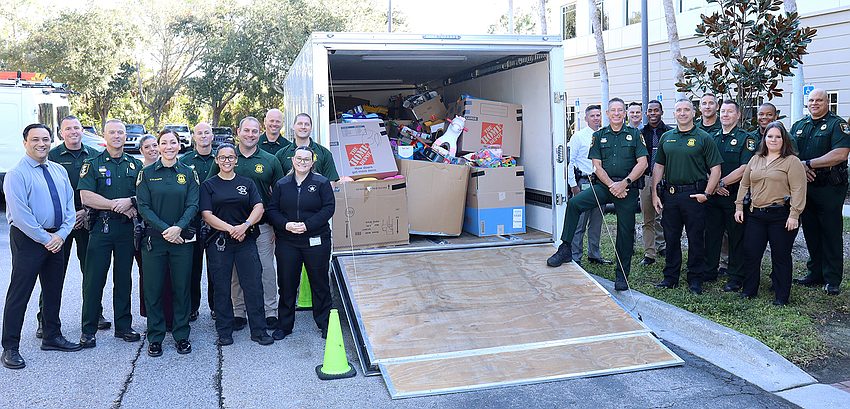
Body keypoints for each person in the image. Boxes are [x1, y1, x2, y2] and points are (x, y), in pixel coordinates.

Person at [2, 124, 82, 370]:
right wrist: (46, 238)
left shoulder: (58, 170)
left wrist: (61, 234)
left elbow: (70, 206)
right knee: (20, 292)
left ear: (51, 141)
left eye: (45, 139)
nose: (41, 144)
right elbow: (21, 215)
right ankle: (10, 347)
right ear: (25, 142)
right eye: (35, 139)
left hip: (57, 238)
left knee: (53, 289)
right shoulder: (17, 174)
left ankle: (51, 336)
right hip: (29, 239)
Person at [548, 98, 648, 292]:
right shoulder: (599, 135)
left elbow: (642, 163)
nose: (617, 113)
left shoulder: (635, 135)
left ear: (625, 113)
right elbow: (596, 166)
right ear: (608, 114)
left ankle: (622, 275)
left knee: (625, 231)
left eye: (620, 110)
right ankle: (566, 248)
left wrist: (624, 183)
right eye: (613, 110)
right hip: (604, 186)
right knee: (575, 204)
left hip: (627, 188)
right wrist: (612, 185)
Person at [209, 117, 284, 329]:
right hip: (230, 228)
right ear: (238, 132)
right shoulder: (227, 156)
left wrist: (277, 225)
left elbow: (280, 195)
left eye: (254, 131)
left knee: (266, 270)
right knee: (235, 272)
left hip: (261, 226)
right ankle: (238, 312)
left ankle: (270, 311)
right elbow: (210, 187)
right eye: (246, 130)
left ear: (260, 133)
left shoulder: (270, 160)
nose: (250, 135)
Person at [37, 115, 107, 339]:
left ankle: (96, 314)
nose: (73, 132)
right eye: (68, 129)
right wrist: (68, 216)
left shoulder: (95, 155)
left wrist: (86, 211)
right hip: (60, 224)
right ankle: (44, 320)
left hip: (89, 219)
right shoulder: (52, 156)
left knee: (92, 271)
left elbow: (102, 190)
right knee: (53, 273)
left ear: (82, 131)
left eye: (77, 128)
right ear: (61, 133)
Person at [78, 119, 143, 348]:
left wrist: (131, 201)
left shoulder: (136, 165)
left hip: (126, 230)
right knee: (94, 280)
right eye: (112, 132)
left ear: (126, 136)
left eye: (121, 133)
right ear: (104, 136)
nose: (117, 136)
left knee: (124, 279)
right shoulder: (92, 163)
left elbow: (143, 196)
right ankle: (88, 329)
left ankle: (123, 326)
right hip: (101, 228)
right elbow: (86, 197)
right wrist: (115, 205)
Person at [200, 143, 273, 346]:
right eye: (222, 158)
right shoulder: (209, 185)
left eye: (230, 157)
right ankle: (224, 332)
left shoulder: (247, 183)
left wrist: (245, 226)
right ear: (216, 160)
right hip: (220, 243)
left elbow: (259, 207)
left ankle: (259, 331)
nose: (227, 161)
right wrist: (231, 229)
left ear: (236, 160)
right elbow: (206, 215)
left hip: (245, 241)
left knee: (253, 285)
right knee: (222, 288)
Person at [136, 129, 199, 356]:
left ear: (179, 146)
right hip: (155, 240)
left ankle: (182, 335)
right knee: (153, 290)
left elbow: (193, 205)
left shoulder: (189, 173)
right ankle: (155, 337)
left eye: (173, 142)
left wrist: (178, 228)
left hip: (182, 240)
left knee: (182, 289)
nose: (169, 147)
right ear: (158, 146)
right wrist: (166, 229)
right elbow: (143, 207)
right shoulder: (146, 173)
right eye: (164, 143)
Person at [652, 99, 723, 295]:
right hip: (671, 196)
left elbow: (716, 169)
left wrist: (707, 194)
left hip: (695, 196)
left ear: (694, 113)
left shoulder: (703, 137)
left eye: (686, 110)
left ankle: (695, 279)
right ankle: (670, 278)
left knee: (696, 239)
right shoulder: (666, 137)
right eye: (678, 110)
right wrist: (654, 193)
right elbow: (659, 166)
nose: (682, 113)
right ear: (673, 114)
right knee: (671, 238)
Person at [267, 145, 335, 339]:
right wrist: (286, 225)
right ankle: (284, 326)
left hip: (315, 239)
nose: (302, 162)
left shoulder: (321, 183)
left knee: (320, 283)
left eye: (307, 159)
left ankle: (325, 323)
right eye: (299, 159)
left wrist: (307, 225)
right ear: (293, 160)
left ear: (312, 162)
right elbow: (272, 210)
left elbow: (329, 208)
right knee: (287, 284)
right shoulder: (282, 184)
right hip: (288, 241)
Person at [736, 122, 806, 305]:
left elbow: (799, 189)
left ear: (784, 140)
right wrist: (738, 207)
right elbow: (744, 184)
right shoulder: (756, 159)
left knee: (781, 256)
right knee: (751, 254)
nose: (773, 140)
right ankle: (749, 290)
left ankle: (782, 296)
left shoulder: (792, 162)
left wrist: (794, 215)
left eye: (778, 137)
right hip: (755, 215)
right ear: (764, 138)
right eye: (770, 136)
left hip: (780, 217)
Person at [791, 89, 850, 296]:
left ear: (827, 102)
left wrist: (807, 164)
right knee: (811, 231)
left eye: (819, 100)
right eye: (811, 100)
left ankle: (832, 278)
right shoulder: (799, 125)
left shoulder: (837, 124)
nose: (814, 103)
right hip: (805, 187)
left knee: (831, 232)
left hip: (830, 187)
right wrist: (801, 168)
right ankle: (815, 273)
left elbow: (840, 153)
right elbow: (789, 153)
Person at [703, 101, 757, 291]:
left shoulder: (746, 139)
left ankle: (735, 276)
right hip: (714, 196)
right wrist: (714, 185)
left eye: (730, 112)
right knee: (711, 235)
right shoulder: (711, 137)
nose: (725, 115)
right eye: (723, 111)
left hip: (734, 197)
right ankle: (709, 271)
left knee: (736, 237)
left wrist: (721, 183)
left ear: (738, 115)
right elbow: (704, 164)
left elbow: (745, 168)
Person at [135, 134, 175, 329]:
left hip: (174, 233)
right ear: (141, 150)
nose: (152, 149)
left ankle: (169, 317)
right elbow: (141, 203)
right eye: (147, 147)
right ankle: (151, 316)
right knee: (150, 277)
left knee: (169, 278)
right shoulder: (141, 172)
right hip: (147, 232)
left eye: (154, 145)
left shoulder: (175, 169)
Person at [180, 122, 217, 320]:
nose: (203, 136)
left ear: (212, 136)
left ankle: (215, 306)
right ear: (194, 137)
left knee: (216, 266)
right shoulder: (184, 161)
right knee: (192, 266)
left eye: (207, 133)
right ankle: (192, 307)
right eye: (199, 133)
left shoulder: (220, 159)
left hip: (215, 221)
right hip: (192, 221)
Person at [565, 105, 608, 265]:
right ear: (586, 118)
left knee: (596, 221)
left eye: (598, 115)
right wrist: (573, 185)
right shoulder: (578, 137)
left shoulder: (605, 135)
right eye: (592, 116)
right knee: (580, 222)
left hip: (600, 183)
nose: (596, 118)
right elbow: (571, 162)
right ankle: (576, 256)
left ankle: (594, 255)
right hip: (583, 182)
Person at [638, 100, 670, 265]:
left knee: (665, 216)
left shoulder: (670, 133)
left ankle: (663, 246)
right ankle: (649, 254)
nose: (652, 113)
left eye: (656, 110)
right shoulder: (641, 133)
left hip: (666, 179)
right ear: (646, 113)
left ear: (661, 112)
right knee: (648, 217)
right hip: (646, 178)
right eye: (649, 111)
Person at [275, 113, 339, 180]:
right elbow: (276, 184)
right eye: (300, 124)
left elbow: (331, 184)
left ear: (311, 128)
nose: (303, 127)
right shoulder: (281, 154)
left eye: (307, 124)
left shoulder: (324, 153)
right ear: (293, 127)